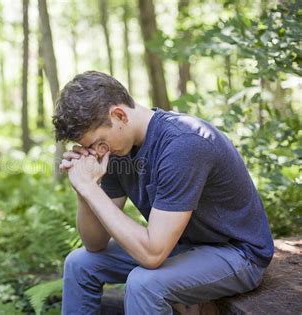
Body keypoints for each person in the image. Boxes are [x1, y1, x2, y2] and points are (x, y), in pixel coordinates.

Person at [52, 71, 274, 314]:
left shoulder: (184, 143)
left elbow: (152, 254)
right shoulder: (115, 150)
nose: (96, 152)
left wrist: (90, 189)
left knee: (144, 284)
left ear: (119, 114)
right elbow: (95, 244)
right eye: (87, 148)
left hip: (237, 254)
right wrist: (84, 189)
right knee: (80, 263)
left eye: (97, 142)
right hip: (183, 247)